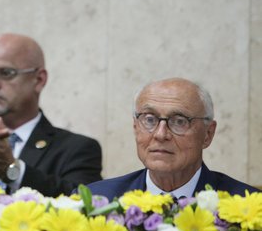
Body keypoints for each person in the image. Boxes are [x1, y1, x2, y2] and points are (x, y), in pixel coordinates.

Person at [0, 33, 102, 196]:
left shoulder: (76, 149)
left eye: (6, 73)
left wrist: (14, 171)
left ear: (38, 80)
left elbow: (83, 202)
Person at [86, 77, 260, 200]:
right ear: (135, 127)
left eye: (179, 121)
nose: (161, 134)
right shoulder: (97, 201)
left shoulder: (251, 206)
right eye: (149, 119)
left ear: (208, 134)